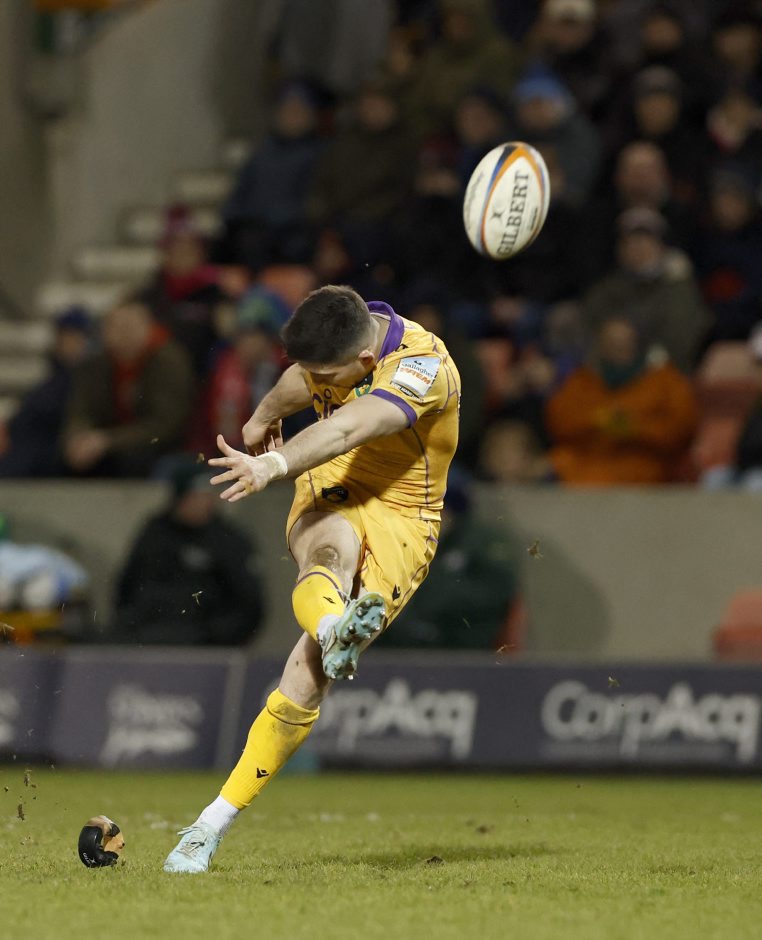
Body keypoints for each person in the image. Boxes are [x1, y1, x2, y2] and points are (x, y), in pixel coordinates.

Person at [164, 284, 460, 873]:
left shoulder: (425, 368)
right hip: (334, 480)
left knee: (304, 677)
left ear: (366, 362)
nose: (315, 379)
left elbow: (350, 427)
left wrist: (273, 463)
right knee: (324, 553)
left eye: (327, 374)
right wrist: (264, 413)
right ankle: (333, 630)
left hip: (405, 513)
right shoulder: (342, 334)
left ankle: (211, 823)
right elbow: (305, 379)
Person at [114, 461, 265, 645]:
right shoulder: (155, 534)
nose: (205, 502)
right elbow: (127, 586)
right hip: (149, 638)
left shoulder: (228, 540)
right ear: (180, 498)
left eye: (208, 495)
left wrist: (214, 635)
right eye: (197, 495)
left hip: (207, 643)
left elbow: (249, 604)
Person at [546, 315, 698, 484]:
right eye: (612, 343)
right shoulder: (582, 380)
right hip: (587, 459)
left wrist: (634, 427)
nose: (619, 348)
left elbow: (680, 430)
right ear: (600, 346)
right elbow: (560, 422)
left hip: (645, 464)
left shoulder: (665, 381)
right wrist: (598, 420)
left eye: (625, 343)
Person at [379, 472, 519, 649]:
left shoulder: (481, 542)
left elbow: (497, 590)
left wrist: (435, 593)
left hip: (459, 642)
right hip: (399, 644)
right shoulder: (401, 540)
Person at [63, 299, 194, 477]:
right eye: (116, 327)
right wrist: (78, 437)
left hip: (157, 447)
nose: (124, 335)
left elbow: (164, 425)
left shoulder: (168, 362)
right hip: (107, 444)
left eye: (130, 327)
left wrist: (108, 440)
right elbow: (81, 409)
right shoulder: (98, 364)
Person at [0, 307, 92, 478]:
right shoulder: (53, 375)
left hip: (52, 448)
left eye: (74, 337)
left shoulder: (87, 377)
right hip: (27, 445)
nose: (68, 343)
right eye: (64, 336)